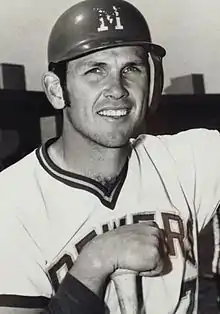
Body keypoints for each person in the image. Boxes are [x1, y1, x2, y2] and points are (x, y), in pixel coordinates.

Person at [0, 0, 220, 313]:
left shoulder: (190, 160)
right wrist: (94, 263)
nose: (116, 89)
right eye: (95, 71)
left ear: (151, 82)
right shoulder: (9, 204)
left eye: (131, 69)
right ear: (56, 90)